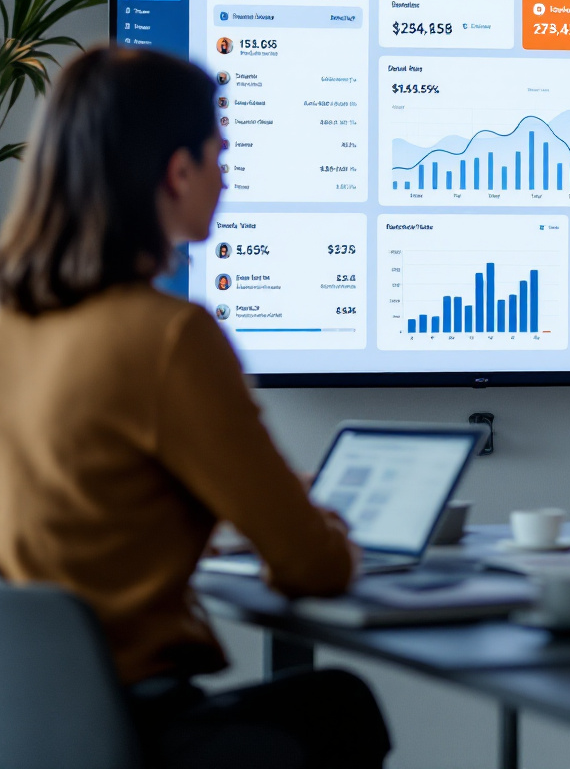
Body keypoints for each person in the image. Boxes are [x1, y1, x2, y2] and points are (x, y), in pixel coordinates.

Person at [0, 48, 390, 769]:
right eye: (220, 155)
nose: (224, 177)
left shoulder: (13, 321)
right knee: (340, 706)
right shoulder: (170, 336)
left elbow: (75, 506)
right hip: (132, 724)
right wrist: (321, 528)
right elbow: (311, 566)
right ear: (179, 171)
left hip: (26, 727)